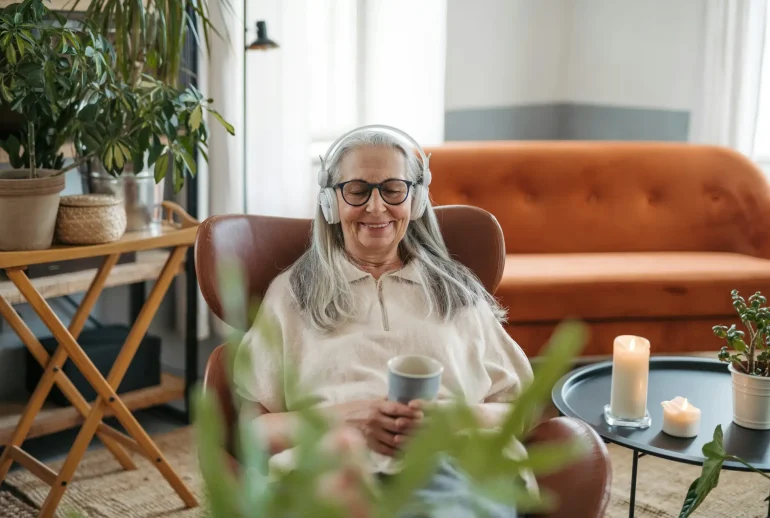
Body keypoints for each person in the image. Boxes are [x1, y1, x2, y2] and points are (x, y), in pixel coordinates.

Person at [234, 126, 534, 517]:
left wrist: (453, 418)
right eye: (357, 190)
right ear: (330, 203)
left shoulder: (458, 293)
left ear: (417, 198)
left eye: (393, 189)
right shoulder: (292, 295)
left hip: (455, 465)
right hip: (336, 470)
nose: (377, 208)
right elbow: (253, 433)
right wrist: (350, 419)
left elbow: (521, 411)